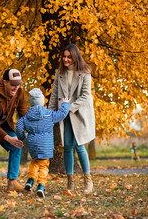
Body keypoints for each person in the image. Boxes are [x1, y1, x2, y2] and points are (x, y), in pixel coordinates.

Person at [48, 44, 96, 194]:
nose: (66, 59)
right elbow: (54, 94)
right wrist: (49, 114)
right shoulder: (60, 73)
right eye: (64, 56)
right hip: (65, 115)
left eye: (69, 57)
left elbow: (86, 95)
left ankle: (88, 181)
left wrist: (69, 106)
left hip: (79, 113)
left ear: (75, 57)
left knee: (79, 144)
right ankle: (70, 181)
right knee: (67, 146)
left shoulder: (85, 72)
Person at [16, 88, 70, 198]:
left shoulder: (26, 117)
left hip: (33, 145)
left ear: (31, 102)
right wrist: (65, 104)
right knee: (44, 165)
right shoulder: (48, 114)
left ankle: (30, 180)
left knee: (34, 162)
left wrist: (22, 136)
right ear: (42, 101)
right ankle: (41, 185)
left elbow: (18, 128)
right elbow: (62, 114)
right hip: (45, 145)